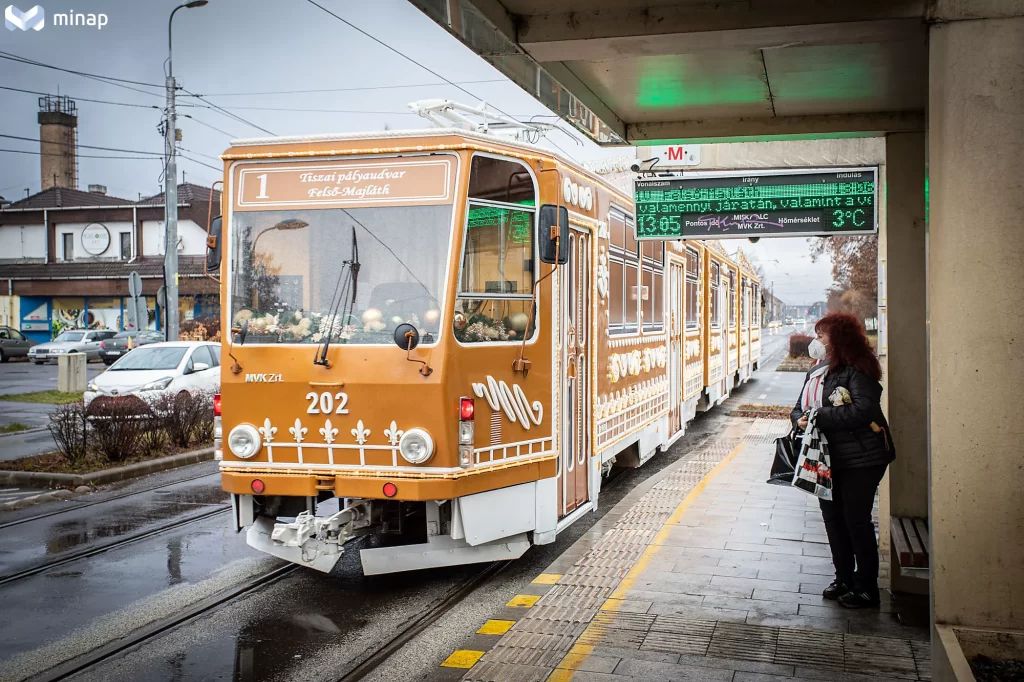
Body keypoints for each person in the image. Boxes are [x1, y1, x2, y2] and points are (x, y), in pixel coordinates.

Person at [791, 311, 895, 608]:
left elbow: (862, 410)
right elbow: (798, 408)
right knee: (833, 519)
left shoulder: (857, 369)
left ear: (837, 340)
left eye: (821, 336)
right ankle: (844, 578)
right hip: (827, 458)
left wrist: (817, 416)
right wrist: (800, 419)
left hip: (862, 458)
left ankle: (866, 587)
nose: (816, 341)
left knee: (855, 520)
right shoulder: (818, 370)